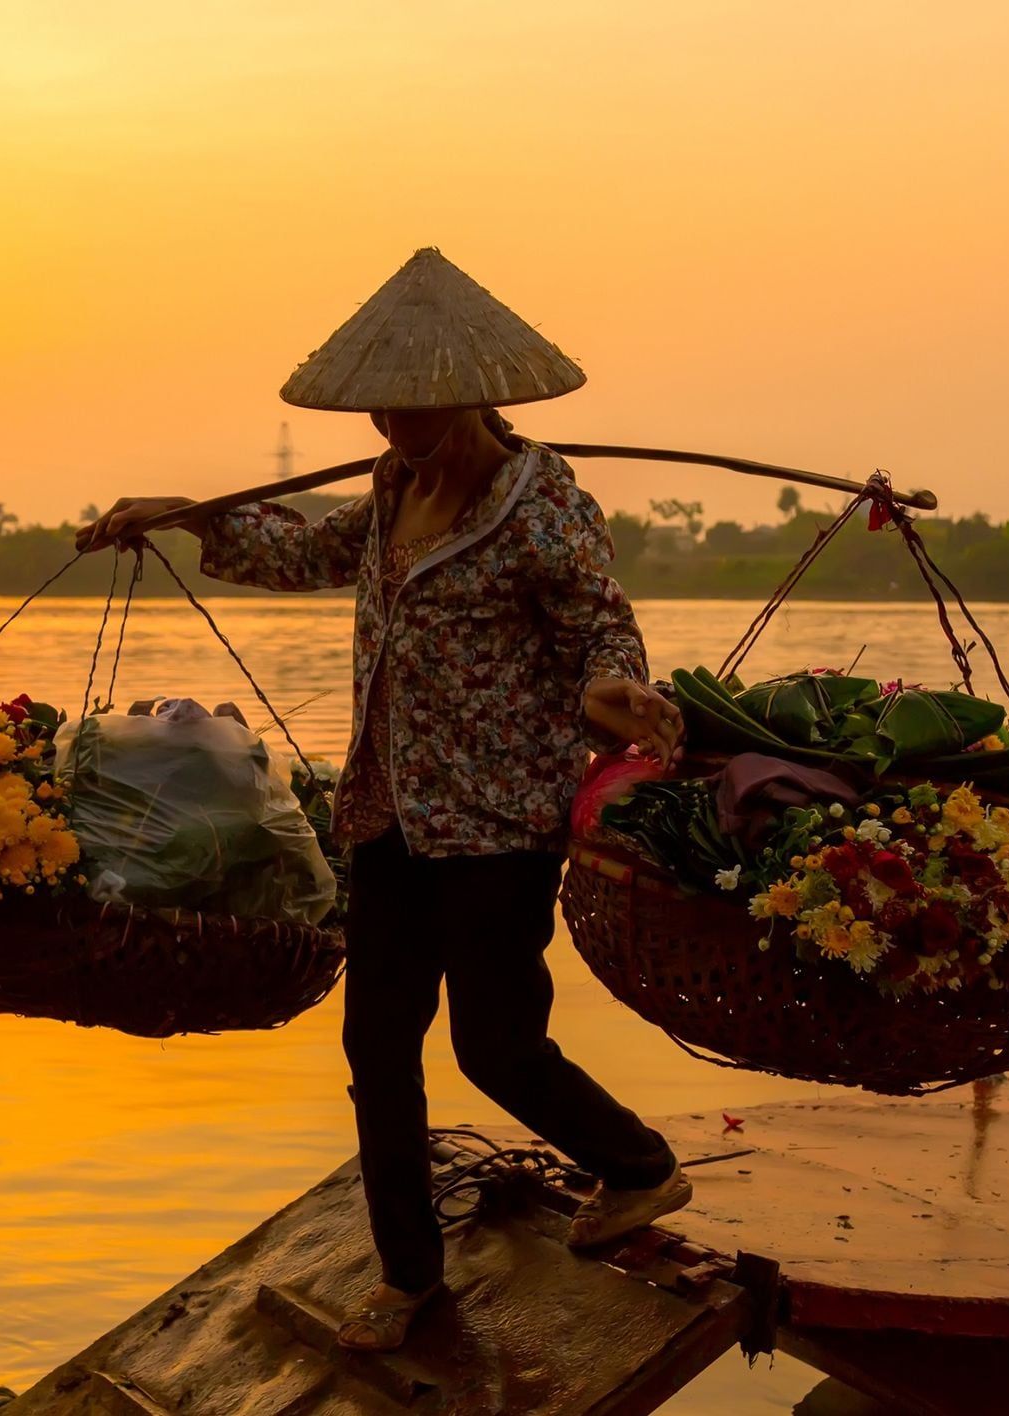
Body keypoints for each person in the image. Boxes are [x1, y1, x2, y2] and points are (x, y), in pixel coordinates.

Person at [79, 249, 689, 1353]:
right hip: (388, 813)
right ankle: (408, 1274)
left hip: (496, 822)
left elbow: (599, 620)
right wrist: (187, 515)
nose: (391, 426)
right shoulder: (391, 491)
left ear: (465, 393)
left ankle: (638, 1167)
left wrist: (614, 685)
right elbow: (302, 553)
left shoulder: (537, 498)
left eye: (410, 407)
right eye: (377, 409)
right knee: (378, 1051)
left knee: (497, 1047)